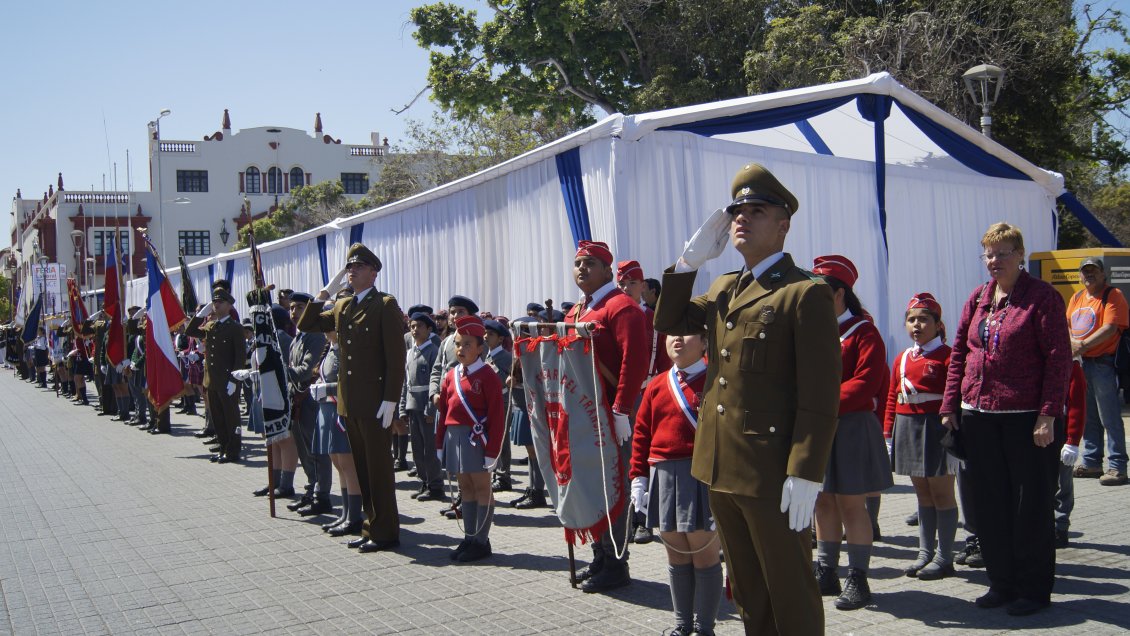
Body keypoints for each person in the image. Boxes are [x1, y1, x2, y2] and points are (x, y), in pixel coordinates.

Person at [654, 163, 841, 635]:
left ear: (783, 225)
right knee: (747, 589)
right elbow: (669, 321)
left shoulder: (804, 293)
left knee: (789, 589)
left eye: (757, 211)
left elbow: (819, 392)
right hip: (720, 464)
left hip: (772, 471)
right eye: (738, 211)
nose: (742, 218)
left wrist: (806, 470)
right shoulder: (723, 287)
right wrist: (687, 264)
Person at [940, 222, 1071, 616]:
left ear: (1020, 254)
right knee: (989, 503)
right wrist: (949, 405)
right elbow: (959, 353)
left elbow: (1059, 360)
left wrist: (1048, 414)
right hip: (978, 415)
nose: (994, 261)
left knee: (1029, 506)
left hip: (1026, 418)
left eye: (1002, 253)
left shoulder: (1042, 297)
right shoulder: (978, 297)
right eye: (989, 254)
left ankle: (1033, 590)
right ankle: (1001, 583)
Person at [298, 243, 407, 553]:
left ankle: (385, 532)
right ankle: (370, 527)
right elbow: (306, 324)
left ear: (373, 273)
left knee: (378, 470)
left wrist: (391, 399)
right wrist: (326, 291)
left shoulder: (384, 304)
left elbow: (395, 358)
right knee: (362, 468)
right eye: (349, 267)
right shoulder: (343, 306)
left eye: (359, 266)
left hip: (375, 402)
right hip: (350, 403)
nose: (352, 270)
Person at [565, 240, 650, 594]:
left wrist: (622, 409)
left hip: (612, 414)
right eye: (578, 263)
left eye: (590, 263)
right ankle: (600, 554)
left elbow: (635, 361)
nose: (582, 269)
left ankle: (617, 562)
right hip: (584, 416)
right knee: (592, 485)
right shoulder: (576, 312)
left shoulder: (621, 307)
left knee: (614, 487)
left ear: (606, 270)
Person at [809, 255, 892, 611]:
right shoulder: (812, 331)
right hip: (818, 427)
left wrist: (817, 401)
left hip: (851, 426)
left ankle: (858, 577)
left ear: (840, 293)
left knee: (851, 505)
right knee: (822, 500)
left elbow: (866, 383)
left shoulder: (863, 331)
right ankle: (826, 570)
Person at [630, 333, 722, 636]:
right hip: (665, 476)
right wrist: (638, 477)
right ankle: (682, 624)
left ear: (705, 342)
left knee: (704, 553)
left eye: (686, 332)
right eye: (671, 334)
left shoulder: (718, 381)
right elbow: (642, 433)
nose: (677, 339)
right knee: (676, 553)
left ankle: (704, 627)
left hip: (702, 475)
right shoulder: (657, 384)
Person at [884, 293, 958, 581]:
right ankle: (925, 553)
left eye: (924, 319)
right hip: (908, 426)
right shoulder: (902, 358)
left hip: (936, 427)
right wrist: (888, 432)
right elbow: (892, 397)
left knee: (941, 493)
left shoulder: (949, 356)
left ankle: (945, 556)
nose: (917, 325)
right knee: (923, 494)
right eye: (911, 319)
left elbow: (955, 395)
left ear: (938, 325)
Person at [436, 315, 506, 562]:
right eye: (458, 344)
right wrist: (439, 443)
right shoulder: (451, 375)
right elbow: (444, 412)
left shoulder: (487, 375)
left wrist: (492, 451)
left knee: (481, 487)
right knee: (465, 487)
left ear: (479, 348)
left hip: (477, 440)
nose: (461, 349)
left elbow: (497, 416)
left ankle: (481, 540)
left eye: (467, 344)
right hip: (454, 438)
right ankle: (469, 536)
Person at [1066, 257, 1129, 486]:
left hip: (1103, 363)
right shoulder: (1077, 297)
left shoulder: (1113, 295)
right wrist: (1073, 344)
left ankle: (1117, 466)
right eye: (1085, 271)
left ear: (1103, 274)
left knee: (1109, 416)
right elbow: (1067, 325)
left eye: (1094, 270)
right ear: (1079, 276)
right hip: (1082, 363)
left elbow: (1110, 328)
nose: (1089, 275)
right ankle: (1092, 462)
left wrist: (1081, 345)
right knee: (1088, 415)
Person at [308, 306, 363, 536]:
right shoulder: (331, 349)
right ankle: (345, 513)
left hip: (341, 412)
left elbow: (352, 382)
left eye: (328, 326)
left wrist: (326, 388)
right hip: (327, 411)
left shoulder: (345, 351)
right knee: (339, 464)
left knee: (348, 465)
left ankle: (354, 516)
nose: (324, 330)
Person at [186, 287, 247, 463]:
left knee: (230, 417)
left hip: (228, 381)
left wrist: (234, 380)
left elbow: (240, 357)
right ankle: (223, 448)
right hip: (212, 380)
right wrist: (201, 315)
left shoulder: (235, 328)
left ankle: (233, 451)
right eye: (214, 302)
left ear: (229, 305)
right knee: (218, 417)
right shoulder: (211, 326)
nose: (216, 304)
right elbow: (190, 331)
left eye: (220, 302)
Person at [285, 293, 331, 515]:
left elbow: (306, 370)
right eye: (292, 308)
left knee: (317, 452)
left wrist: (280, 371)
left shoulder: (315, 336)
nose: (294, 312)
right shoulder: (297, 338)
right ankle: (311, 489)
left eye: (300, 307)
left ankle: (321, 496)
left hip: (311, 401)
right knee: (304, 450)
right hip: (297, 401)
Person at [400, 311, 444, 501]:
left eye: (419, 326)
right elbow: (406, 382)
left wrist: (431, 409)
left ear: (429, 329)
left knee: (430, 449)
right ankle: (424, 481)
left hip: (426, 407)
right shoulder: (410, 352)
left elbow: (435, 381)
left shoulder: (433, 351)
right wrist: (403, 407)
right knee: (417, 448)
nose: (415, 330)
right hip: (413, 405)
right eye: (412, 326)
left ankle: (435, 485)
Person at [484, 319, 515, 493]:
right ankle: (496, 473)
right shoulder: (486, 355)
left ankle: (504, 476)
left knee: (502, 439)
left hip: (502, 401)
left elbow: (513, 379)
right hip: (490, 402)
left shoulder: (505, 357)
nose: (486, 336)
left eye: (491, 334)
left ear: (501, 339)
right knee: (493, 438)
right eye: (485, 333)